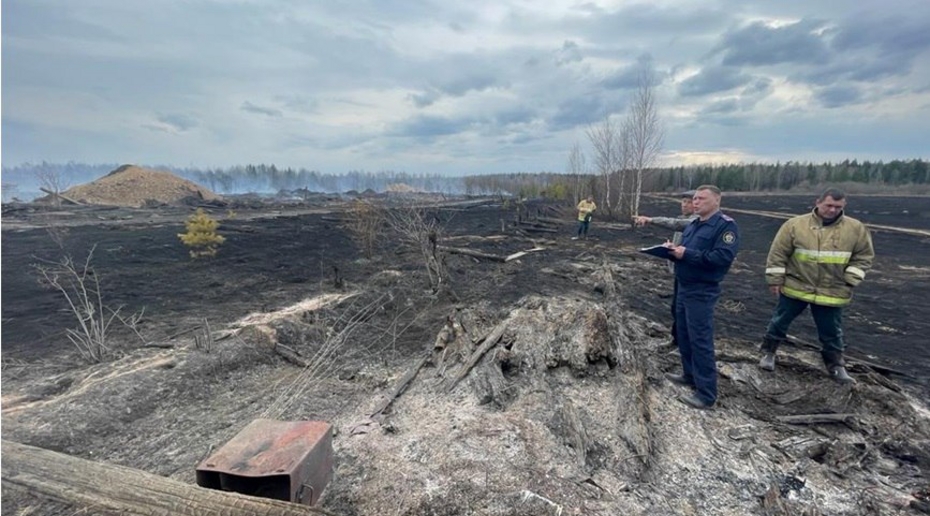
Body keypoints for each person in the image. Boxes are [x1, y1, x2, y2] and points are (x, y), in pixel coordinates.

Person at [758, 187, 875, 384]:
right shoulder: (795, 225)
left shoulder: (855, 229)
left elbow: (864, 256)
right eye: (829, 205)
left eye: (838, 206)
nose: (832, 210)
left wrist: (851, 278)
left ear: (843, 206)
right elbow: (778, 253)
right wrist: (775, 279)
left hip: (833, 290)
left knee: (831, 330)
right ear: (818, 202)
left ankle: (836, 365)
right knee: (780, 321)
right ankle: (768, 353)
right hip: (796, 286)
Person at [663, 185, 739, 409]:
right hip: (683, 285)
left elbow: (722, 257)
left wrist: (687, 254)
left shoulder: (725, 227)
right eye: (694, 199)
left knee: (700, 340)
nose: (695, 202)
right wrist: (673, 250)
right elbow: (685, 251)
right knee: (684, 334)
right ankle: (689, 375)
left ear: (717, 200)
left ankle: (706, 393)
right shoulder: (694, 224)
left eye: (701, 199)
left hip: (702, 290)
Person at [633, 190, 698, 348]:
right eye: (683, 202)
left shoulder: (695, 222)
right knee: (676, 307)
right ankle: (677, 340)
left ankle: (686, 344)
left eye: (688, 202)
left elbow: (674, 223)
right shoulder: (685, 221)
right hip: (679, 272)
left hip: (692, 275)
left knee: (686, 311)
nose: (684, 205)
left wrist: (650, 220)